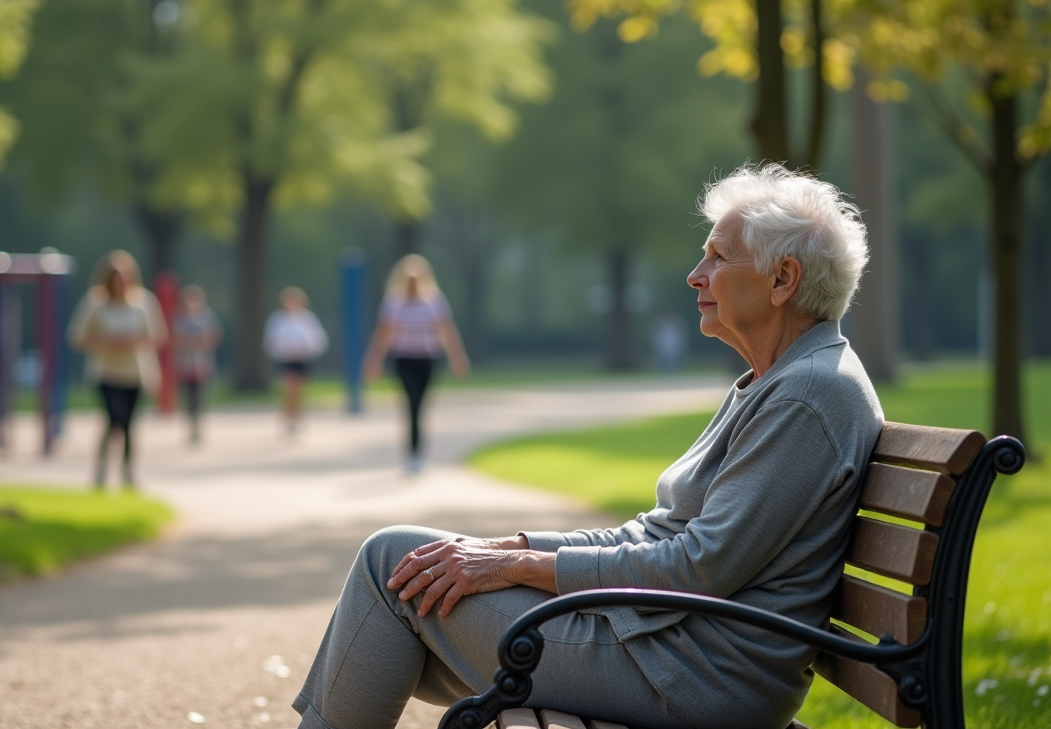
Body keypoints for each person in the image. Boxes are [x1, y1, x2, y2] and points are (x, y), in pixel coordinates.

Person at [293, 164, 881, 729]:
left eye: (718, 257)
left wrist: (517, 565)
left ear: (782, 280)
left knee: (390, 566)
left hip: (693, 674)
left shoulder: (805, 395)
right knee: (416, 577)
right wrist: (509, 547)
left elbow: (697, 567)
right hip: (671, 645)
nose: (695, 275)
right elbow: (657, 533)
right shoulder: (781, 381)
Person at [361, 255, 469, 473]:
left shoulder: (434, 301)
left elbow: (446, 331)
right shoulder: (393, 303)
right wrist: (373, 361)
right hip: (404, 359)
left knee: (421, 406)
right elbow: (383, 334)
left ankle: (419, 451)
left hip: (427, 358)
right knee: (411, 404)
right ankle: (412, 453)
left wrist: (457, 357)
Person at [68, 251, 167, 489]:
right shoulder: (95, 303)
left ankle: (128, 472)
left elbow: (158, 335)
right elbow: (77, 336)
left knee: (130, 423)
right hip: (106, 372)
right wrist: (107, 341)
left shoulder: (144, 302)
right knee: (114, 419)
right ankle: (101, 469)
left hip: (135, 372)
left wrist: (133, 341)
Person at [263, 286, 328, 435]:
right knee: (288, 388)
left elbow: (318, 340)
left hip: (302, 359)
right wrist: (285, 350)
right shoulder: (277, 319)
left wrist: (305, 350)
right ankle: (288, 416)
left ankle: (297, 415)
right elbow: (271, 342)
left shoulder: (307, 318)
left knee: (299, 390)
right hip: (285, 360)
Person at [174, 284, 223, 444]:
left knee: (201, 397)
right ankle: (190, 426)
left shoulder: (206, 316)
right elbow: (175, 339)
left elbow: (214, 336)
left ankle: (199, 426)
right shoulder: (179, 317)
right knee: (188, 398)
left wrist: (198, 341)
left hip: (202, 363)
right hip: (185, 364)